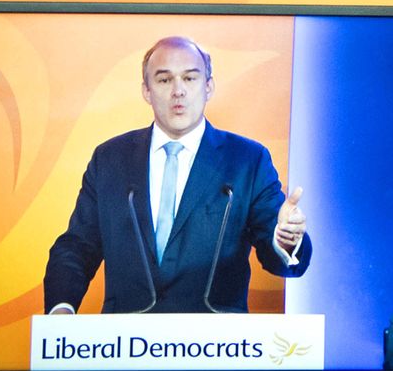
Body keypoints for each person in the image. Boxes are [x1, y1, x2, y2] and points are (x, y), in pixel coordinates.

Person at [43, 36, 312, 313]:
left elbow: (276, 248)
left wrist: (286, 241)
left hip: (217, 346)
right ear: (146, 91)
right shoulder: (110, 159)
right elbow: (77, 247)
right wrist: (61, 310)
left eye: (190, 78)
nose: (178, 91)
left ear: (209, 87)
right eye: (164, 80)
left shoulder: (247, 160)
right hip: (125, 345)